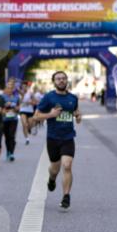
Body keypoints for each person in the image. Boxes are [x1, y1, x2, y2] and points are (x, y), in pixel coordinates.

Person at [34, 71, 82, 211]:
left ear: (67, 80)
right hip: (53, 138)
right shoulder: (49, 97)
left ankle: (66, 196)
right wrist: (51, 114)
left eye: (63, 78)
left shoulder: (73, 98)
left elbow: (77, 115)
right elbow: (36, 116)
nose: (61, 81)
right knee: (54, 169)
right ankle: (52, 179)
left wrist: (78, 117)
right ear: (54, 81)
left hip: (68, 137)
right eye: (58, 79)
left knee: (67, 165)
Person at [0, 78, 21, 162]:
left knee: (12, 136)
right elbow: (0, 108)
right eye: (8, 87)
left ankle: (11, 153)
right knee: (7, 137)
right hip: (5, 119)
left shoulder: (16, 97)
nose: (10, 89)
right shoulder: (2, 97)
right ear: (6, 88)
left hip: (13, 119)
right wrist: (5, 106)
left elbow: (19, 108)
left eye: (11, 87)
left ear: (13, 89)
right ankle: (8, 151)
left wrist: (15, 107)